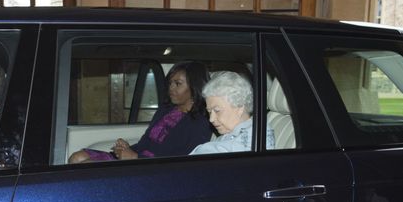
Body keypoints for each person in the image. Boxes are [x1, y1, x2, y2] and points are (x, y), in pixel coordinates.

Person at [68, 61, 213, 163]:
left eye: (178, 84)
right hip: (138, 158)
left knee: (84, 165)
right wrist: (126, 149)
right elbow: (145, 143)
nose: (171, 88)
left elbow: (180, 163)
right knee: (76, 157)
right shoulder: (166, 110)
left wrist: (135, 158)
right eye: (170, 83)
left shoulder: (200, 123)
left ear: (194, 86)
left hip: (150, 169)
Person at [190, 71, 274, 154]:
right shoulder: (230, 133)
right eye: (209, 112)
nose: (211, 119)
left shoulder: (259, 134)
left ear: (240, 107)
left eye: (217, 111)